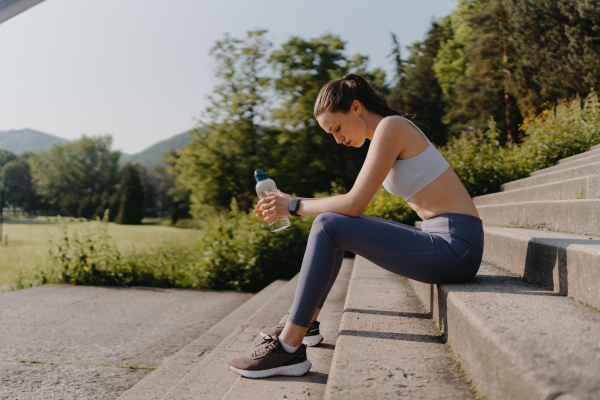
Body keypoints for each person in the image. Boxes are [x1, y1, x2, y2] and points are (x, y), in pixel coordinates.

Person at [229, 73, 484, 379]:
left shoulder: (393, 127)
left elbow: (354, 203)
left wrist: (294, 205)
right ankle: (304, 322)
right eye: (331, 134)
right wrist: (293, 203)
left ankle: (288, 347)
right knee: (333, 226)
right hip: (442, 239)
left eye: (336, 128)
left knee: (330, 224)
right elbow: (351, 207)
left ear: (356, 107)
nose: (338, 139)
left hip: (456, 247)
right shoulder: (386, 132)